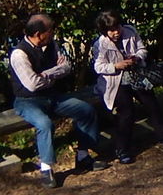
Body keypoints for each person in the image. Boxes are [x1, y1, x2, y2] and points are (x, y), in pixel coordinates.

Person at [10, 13, 106, 188]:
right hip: (27, 101)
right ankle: (46, 169)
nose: (53, 33)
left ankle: (83, 156)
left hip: (52, 97)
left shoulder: (51, 45)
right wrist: (55, 73)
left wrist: (47, 74)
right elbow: (32, 84)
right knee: (45, 124)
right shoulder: (19, 54)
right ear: (39, 34)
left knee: (86, 110)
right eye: (50, 30)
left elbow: (67, 67)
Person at [90, 10, 163, 164]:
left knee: (151, 103)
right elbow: (98, 67)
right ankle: (122, 149)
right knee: (126, 112)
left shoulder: (130, 31)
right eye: (111, 30)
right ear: (105, 31)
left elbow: (142, 49)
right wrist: (116, 66)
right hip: (116, 81)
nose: (116, 32)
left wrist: (137, 57)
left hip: (136, 74)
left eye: (117, 28)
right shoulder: (100, 44)